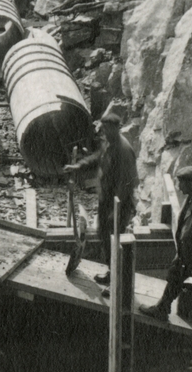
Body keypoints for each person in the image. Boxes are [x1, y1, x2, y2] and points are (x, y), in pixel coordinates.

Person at [64, 112, 138, 286]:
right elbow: (97, 158)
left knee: (113, 238)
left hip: (119, 203)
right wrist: (78, 165)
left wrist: (116, 209)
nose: (102, 131)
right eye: (102, 127)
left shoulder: (124, 149)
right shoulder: (109, 143)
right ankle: (113, 273)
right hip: (107, 199)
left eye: (105, 128)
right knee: (104, 235)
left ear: (114, 128)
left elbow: (127, 183)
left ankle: (118, 281)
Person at [140, 166, 192, 322]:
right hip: (187, 253)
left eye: (181, 183)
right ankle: (162, 308)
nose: (178, 188)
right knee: (174, 276)